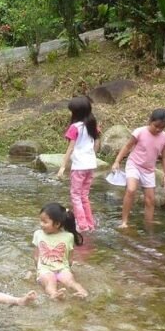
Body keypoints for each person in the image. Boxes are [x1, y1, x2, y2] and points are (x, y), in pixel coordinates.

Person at [111, 108, 165, 229]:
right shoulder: (140, 132)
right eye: (156, 126)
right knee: (131, 190)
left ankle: (148, 225)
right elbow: (127, 146)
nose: (158, 129)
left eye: (162, 127)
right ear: (150, 121)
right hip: (134, 164)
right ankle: (124, 221)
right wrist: (117, 161)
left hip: (149, 170)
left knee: (150, 200)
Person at [56, 95, 102, 232]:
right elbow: (96, 145)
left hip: (79, 166)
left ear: (76, 112)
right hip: (90, 165)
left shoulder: (74, 127)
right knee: (84, 196)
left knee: (76, 196)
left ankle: (82, 225)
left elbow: (70, 148)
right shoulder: (92, 126)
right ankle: (90, 223)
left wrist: (62, 167)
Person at [32, 202, 88, 300]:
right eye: (40, 221)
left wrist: (37, 271)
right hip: (60, 269)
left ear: (57, 224)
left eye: (45, 222)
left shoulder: (39, 234)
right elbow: (70, 260)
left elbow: (36, 257)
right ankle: (81, 292)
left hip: (46, 270)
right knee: (69, 281)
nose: (41, 224)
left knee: (51, 282)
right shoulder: (68, 236)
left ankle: (55, 294)